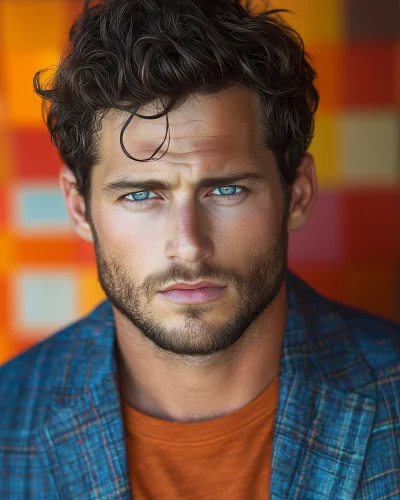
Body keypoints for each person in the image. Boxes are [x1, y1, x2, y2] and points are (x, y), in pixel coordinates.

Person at [1, 0, 399, 498]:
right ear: (79, 209)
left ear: (297, 193)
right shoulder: (8, 420)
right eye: (141, 194)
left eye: (226, 190)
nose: (188, 247)